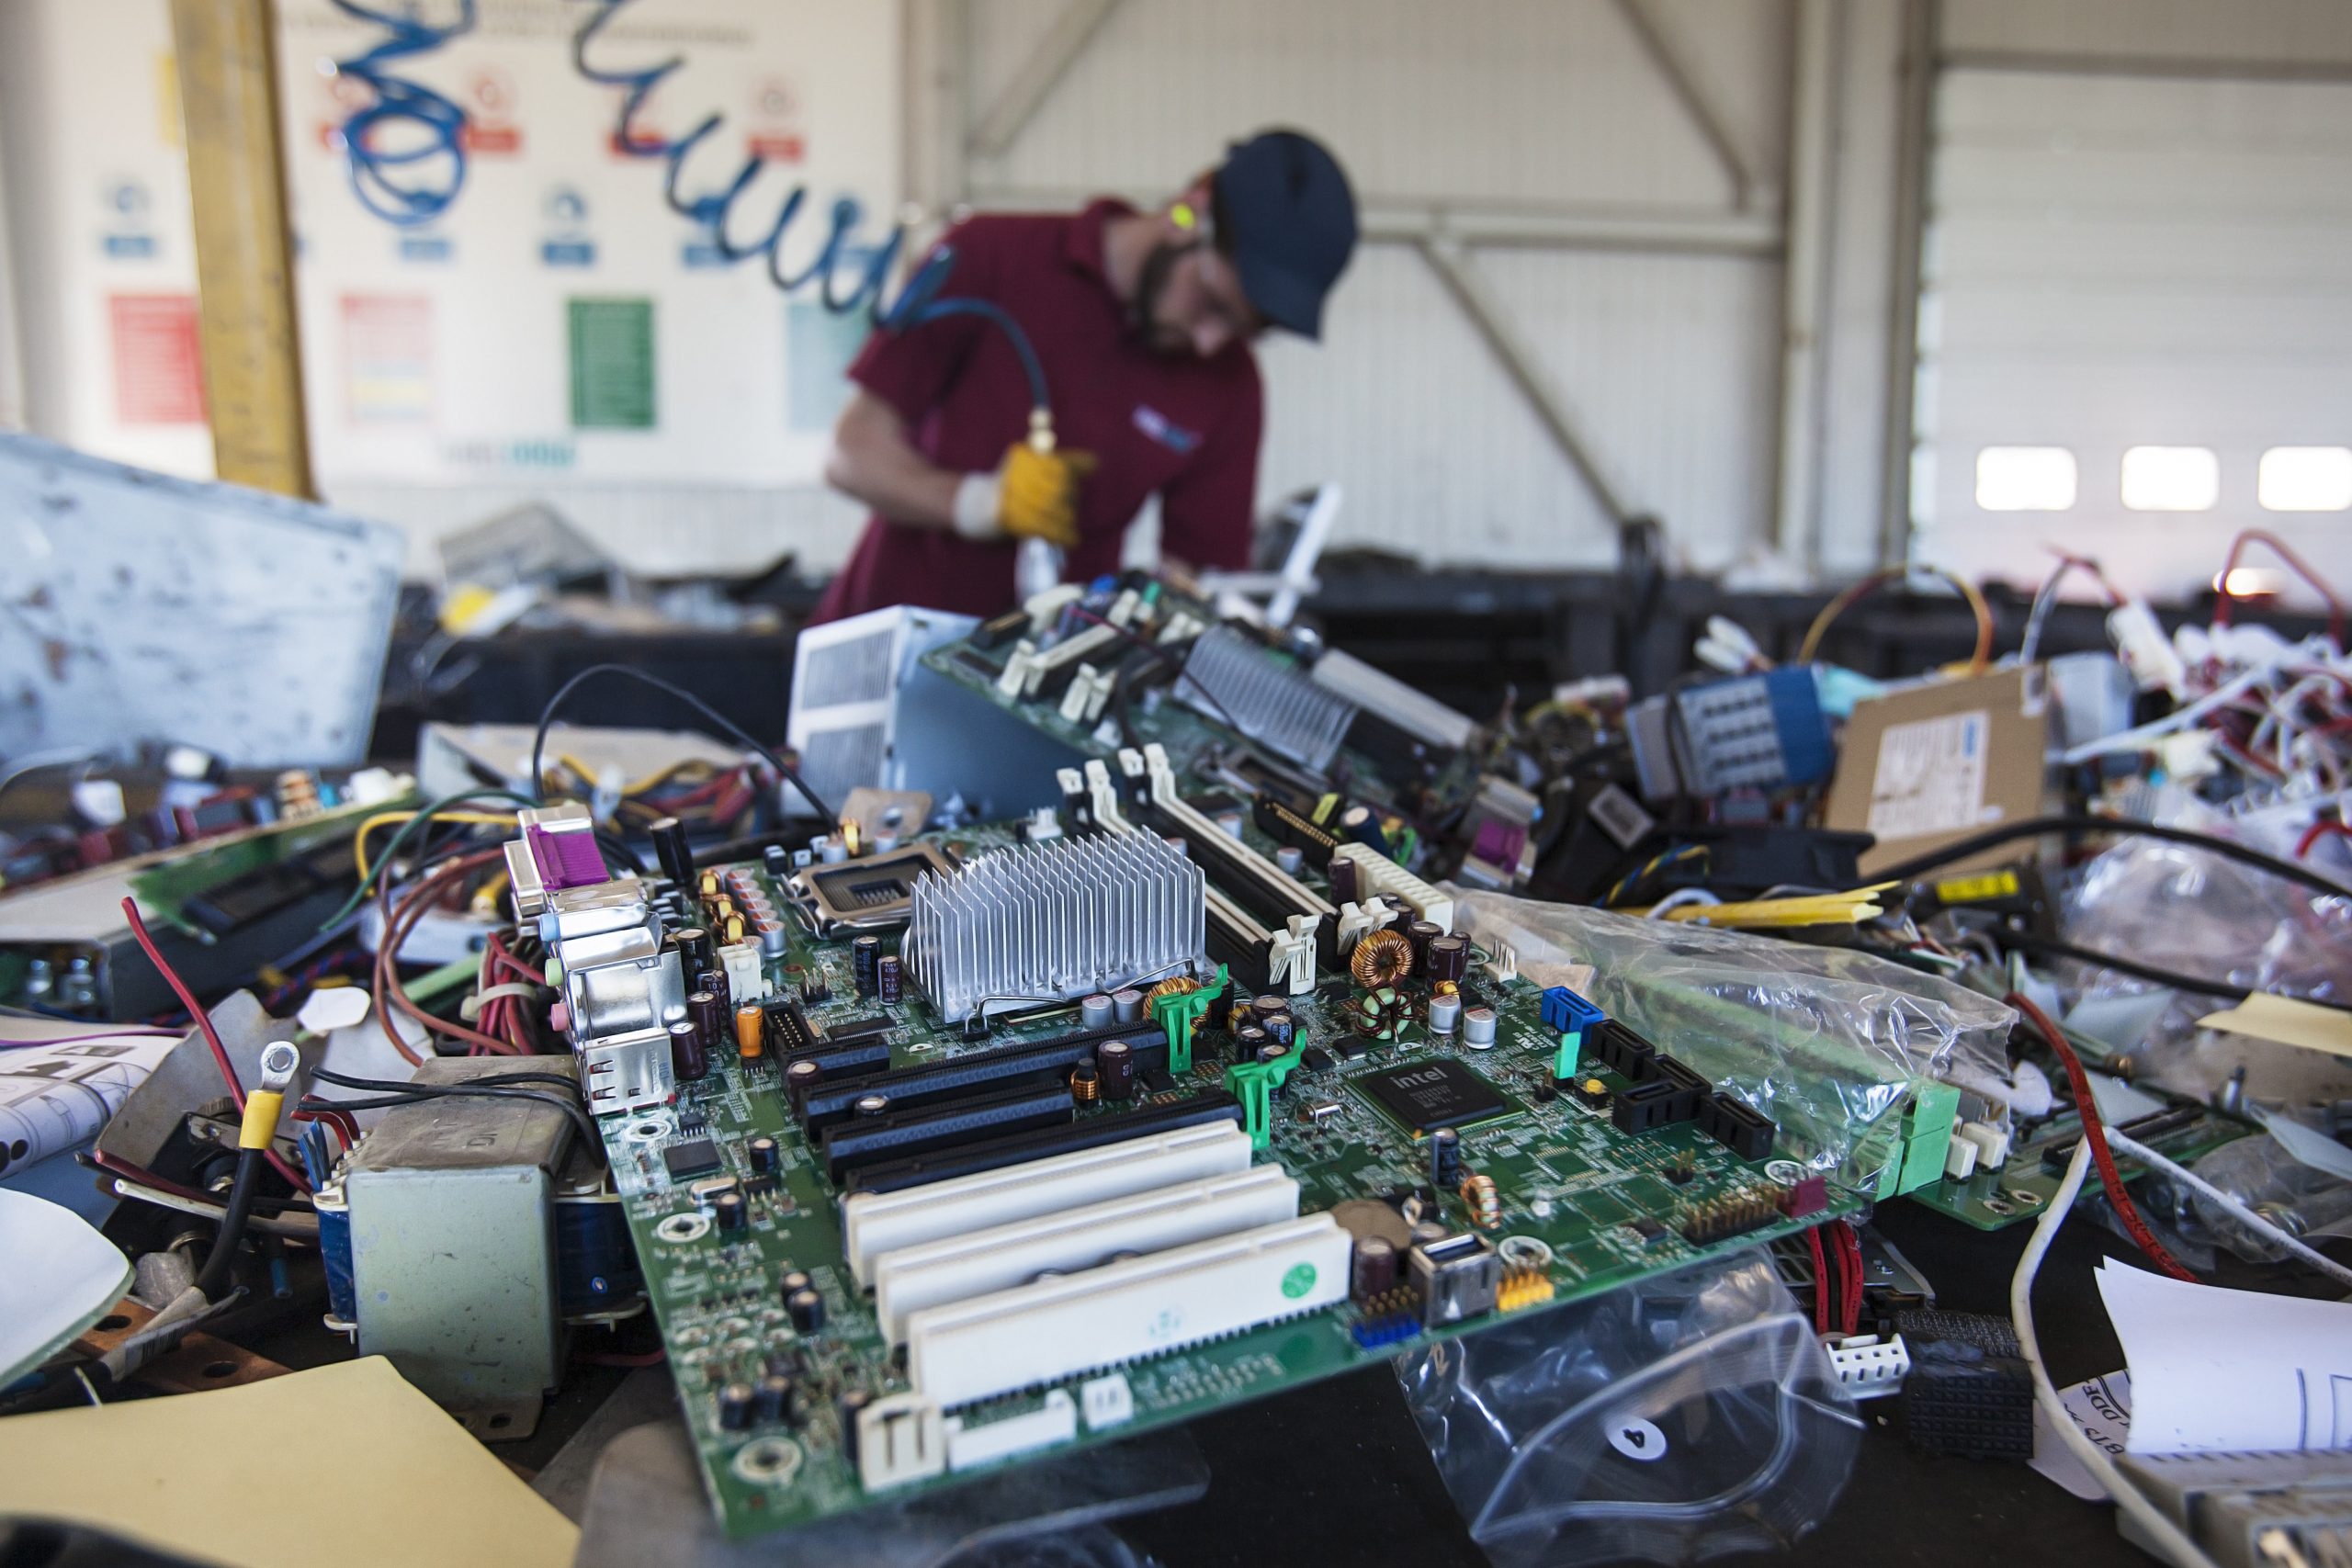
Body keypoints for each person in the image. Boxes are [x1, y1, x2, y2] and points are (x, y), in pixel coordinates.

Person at [811, 129, 1357, 624]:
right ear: (1187, 214)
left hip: (1045, 691)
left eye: (1244, 329)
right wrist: (976, 502)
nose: (1210, 341)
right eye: (1211, 304)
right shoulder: (989, 256)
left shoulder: (1231, 386)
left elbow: (1195, 587)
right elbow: (850, 453)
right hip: (878, 659)